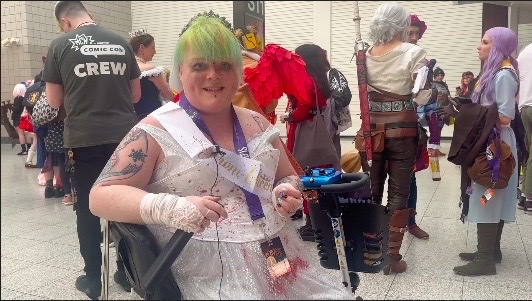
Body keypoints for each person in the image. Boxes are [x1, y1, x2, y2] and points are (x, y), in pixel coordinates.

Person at [89, 12, 355, 300]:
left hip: (278, 253)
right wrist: (172, 208)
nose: (213, 75)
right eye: (199, 65)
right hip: (203, 273)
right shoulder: (155, 129)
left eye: (224, 65)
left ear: (238, 74)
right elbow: (101, 196)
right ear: (181, 71)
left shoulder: (256, 122)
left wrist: (286, 189)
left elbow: (286, 176)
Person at [42, 1, 141, 299]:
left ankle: (92, 281)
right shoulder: (121, 42)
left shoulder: (59, 45)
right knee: (126, 204)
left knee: (87, 209)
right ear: (88, 15)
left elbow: (54, 102)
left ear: (65, 23)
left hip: (84, 140)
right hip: (125, 138)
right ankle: (126, 273)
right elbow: (135, 95)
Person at [364, 3, 428, 274]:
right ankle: (391, 256)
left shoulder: (364, 54)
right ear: (402, 24)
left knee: (372, 190)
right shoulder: (414, 52)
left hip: (372, 131)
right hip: (403, 131)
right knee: (399, 192)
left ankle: (370, 251)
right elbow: (422, 96)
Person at [451, 27, 520, 276]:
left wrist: (471, 113)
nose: (479, 46)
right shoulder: (498, 73)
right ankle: (491, 250)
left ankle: (485, 259)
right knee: (491, 196)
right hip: (493, 144)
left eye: (485, 42)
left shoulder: (503, 75)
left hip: (495, 149)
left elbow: (504, 116)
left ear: (498, 47)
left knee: (488, 195)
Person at [283, 43, 338, 240]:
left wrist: (289, 116)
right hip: (318, 133)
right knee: (318, 177)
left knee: (306, 176)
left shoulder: (306, 80)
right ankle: (319, 221)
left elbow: (304, 107)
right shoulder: (320, 79)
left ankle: (312, 225)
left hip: (305, 132)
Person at [404, 13, 431, 240]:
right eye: (409, 33)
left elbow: (422, 98)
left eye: (416, 34)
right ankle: (383, 222)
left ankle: (410, 221)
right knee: (379, 178)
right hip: (382, 126)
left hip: (409, 126)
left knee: (409, 177)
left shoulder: (421, 61)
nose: (413, 38)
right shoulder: (383, 56)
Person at [129, 29, 174, 120]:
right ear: (142, 48)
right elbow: (168, 94)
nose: (155, 52)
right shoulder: (151, 70)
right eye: (153, 48)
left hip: (131, 116)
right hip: (150, 115)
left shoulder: (126, 67)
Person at [518, 43, 532, 214]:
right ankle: (529, 197)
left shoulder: (525, 50)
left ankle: (524, 196)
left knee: (529, 152)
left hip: (525, 107)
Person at [11, 83, 31, 156]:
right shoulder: (26, 97)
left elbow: (16, 109)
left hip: (17, 118)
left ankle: (24, 150)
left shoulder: (17, 98)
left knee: (20, 134)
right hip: (25, 117)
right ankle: (29, 149)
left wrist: (12, 107)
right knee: (27, 133)